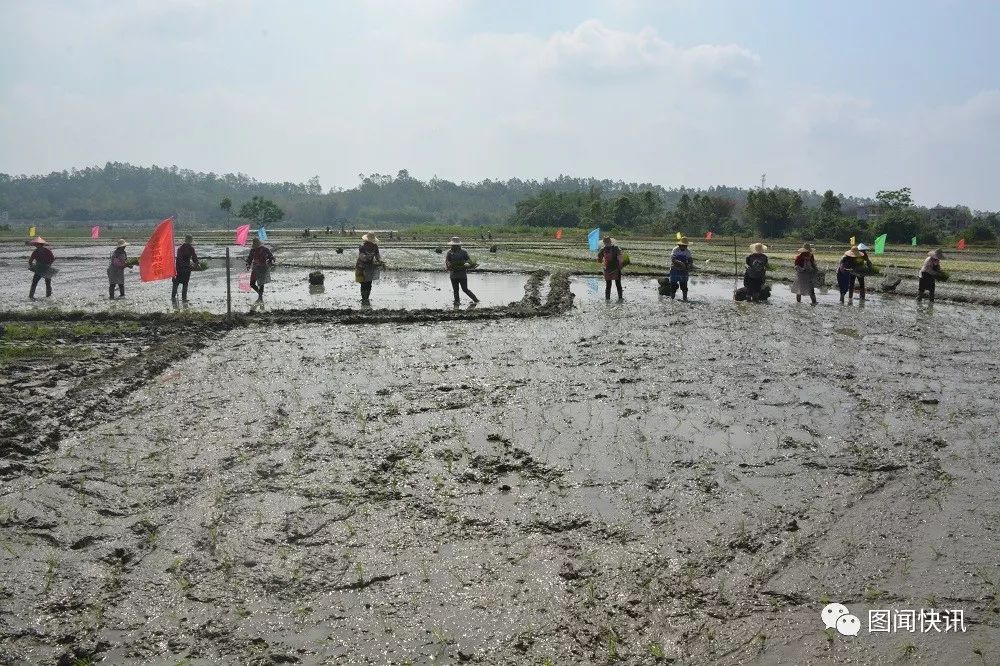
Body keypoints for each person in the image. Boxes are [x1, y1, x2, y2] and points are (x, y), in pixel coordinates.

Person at [445, 237, 479, 305]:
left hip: (462, 274)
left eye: (456, 245)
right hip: (453, 274)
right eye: (453, 245)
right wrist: (448, 265)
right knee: (455, 290)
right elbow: (447, 261)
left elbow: (469, 260)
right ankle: (457, 302)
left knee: (465, 289)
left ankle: (476, 300)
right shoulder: (449, 252)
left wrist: (468, 264)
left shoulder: (463, 252)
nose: (454, 246)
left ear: (459, 245)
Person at [356, 233, 383, 304]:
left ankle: (367, 298)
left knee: (369, 283)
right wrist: (368, 257)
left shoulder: (375, 246)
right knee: (363, 283)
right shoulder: (362, 246)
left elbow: (377, 255)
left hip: (370, 266)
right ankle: (363, 298)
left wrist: (380, 261)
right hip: (361, 266)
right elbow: (361, 256)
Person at [172, 235, 199, 302]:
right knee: (185, 284)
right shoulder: (190, 248)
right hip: (186, 268)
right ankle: (184, 298)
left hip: (178, 268)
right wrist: (196, 264)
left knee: (176, 283)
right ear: (190, 240)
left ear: (185, 240)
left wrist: (195, 263)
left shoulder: (180, 248)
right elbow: (194, 258)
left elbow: (180, 259)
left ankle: (173, 298)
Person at [668, 237, 694, 301]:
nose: (684, 247)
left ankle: (685, 299)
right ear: (680, 245)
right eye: (683, 246)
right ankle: (672, 299)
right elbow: (673, 259)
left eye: (685, 246)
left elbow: (690, 260)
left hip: (683, 271)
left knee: (684, 286)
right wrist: (680, 263)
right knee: (673, 286)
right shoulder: (675, 250)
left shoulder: (687, 251)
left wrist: (690, 264)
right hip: (675, 269)